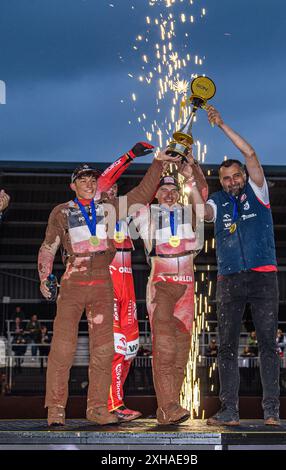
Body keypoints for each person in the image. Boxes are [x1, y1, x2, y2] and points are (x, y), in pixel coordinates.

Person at [38, 143, 177, 426]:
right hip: (73, 279)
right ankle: (55, 409)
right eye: (83, 180)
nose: (89, 184)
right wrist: (44, 277)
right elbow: (48, 247)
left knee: (104, 349)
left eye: (92, 180)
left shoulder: (110, 208)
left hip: (103, 279)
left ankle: (99, 409)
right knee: (62, 348)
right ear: (72, 185)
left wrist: (158, 163)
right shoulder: (61, 212)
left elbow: (140, 195)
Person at [201, 106, 280, 426]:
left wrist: (221, 125)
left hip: (263, 277)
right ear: (220, 182)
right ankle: (229, 411)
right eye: (225, 178)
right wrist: (189, 169)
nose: (232, 180)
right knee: (227, 347)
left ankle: (272, 411)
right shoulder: (217, 203)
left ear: (245, 177)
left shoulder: (258, 192)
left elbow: (250, 152)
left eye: (236, 175)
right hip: (229, 279)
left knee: (267, 345)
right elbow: (200, 213)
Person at [134, 152, 208, 424]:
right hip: (161, 284)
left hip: (188, 284)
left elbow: (202, 193)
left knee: (180, 351)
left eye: (172, 189)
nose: (168, 194)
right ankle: (167, 406)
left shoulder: (190, 212)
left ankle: (169, 407)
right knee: (164, 347)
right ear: (155, 193)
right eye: (162, 189)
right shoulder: (144, 212)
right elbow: (138, 194)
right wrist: (158, 163)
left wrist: (192, 168)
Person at [105, 183, 141, 422]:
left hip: (128, 289)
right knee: (116, 351)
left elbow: (146, 196)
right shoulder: (95, 215)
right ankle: (112, 405)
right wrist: (129, 156)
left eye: (115, 188)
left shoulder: (127, 214)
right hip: (108, 289)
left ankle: (116, 401)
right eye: (106, 188)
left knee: (130, 350)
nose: (111, 191)